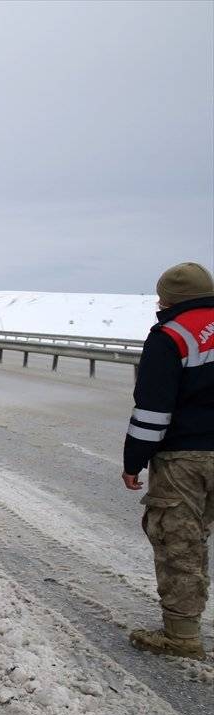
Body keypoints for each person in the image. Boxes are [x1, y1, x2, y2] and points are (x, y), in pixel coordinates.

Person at [122, 261, 213, 660]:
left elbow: (153, 412)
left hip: (186, 458)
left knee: (180, 540)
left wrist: (133, 461)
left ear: (169, 299)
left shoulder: (172, 335)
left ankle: (181, 635)